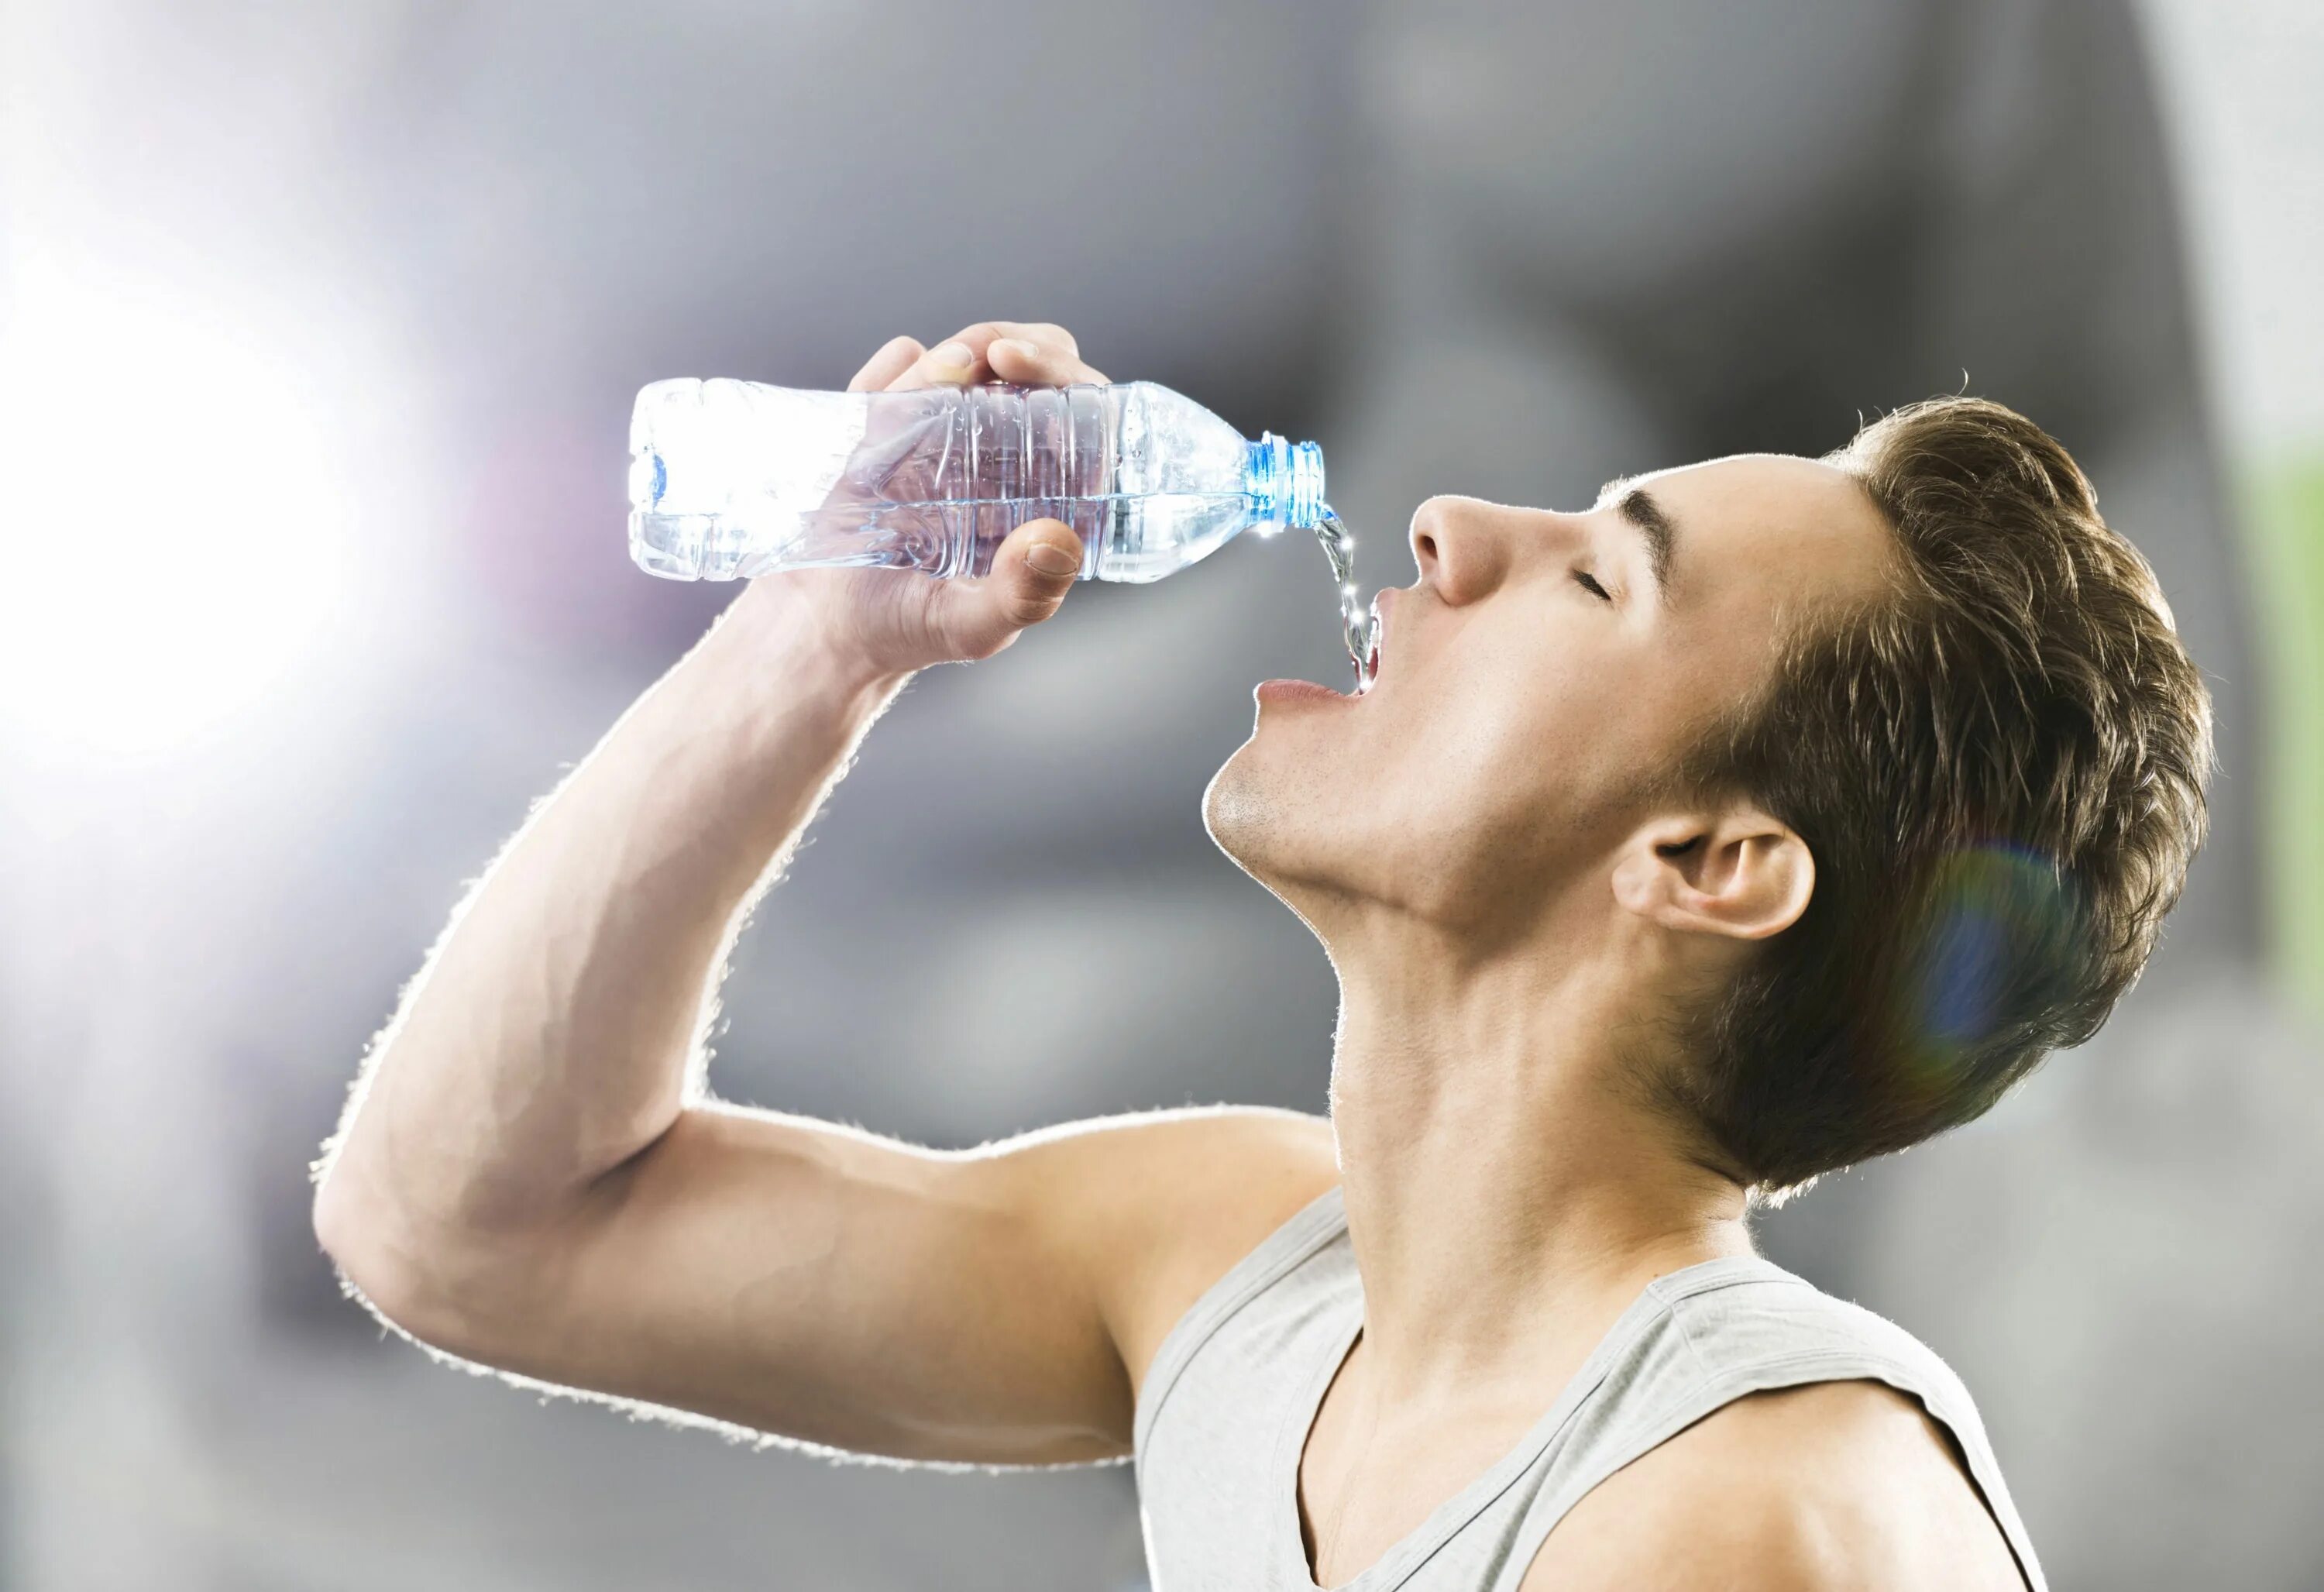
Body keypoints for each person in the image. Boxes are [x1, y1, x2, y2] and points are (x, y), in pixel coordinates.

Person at [313, 320, 2209, 1590]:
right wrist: (815, 641)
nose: (1457, 523)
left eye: (1595, 574)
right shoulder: (1239, 1267)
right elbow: (471, 1226)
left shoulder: (1765, 1516)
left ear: (1707, 862)